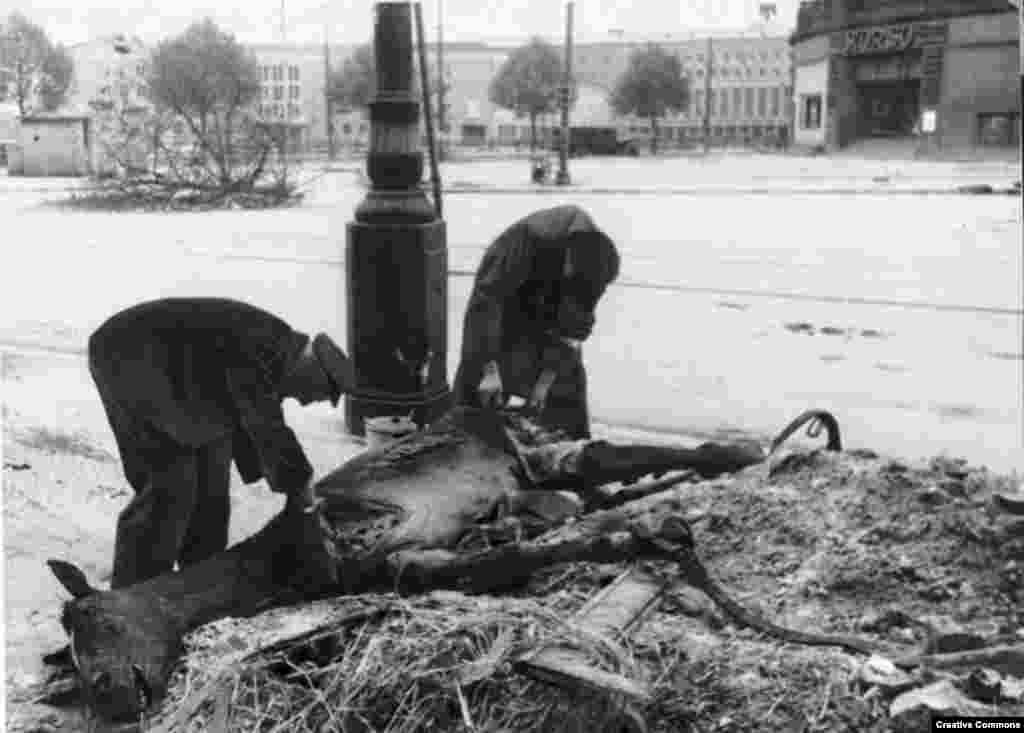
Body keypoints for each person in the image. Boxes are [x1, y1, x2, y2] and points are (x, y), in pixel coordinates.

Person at [88, 297, 355, 589]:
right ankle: (134, 593)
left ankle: (201, 578)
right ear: (311, 367)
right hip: (129, 357)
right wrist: (298, 485)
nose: (306, 401)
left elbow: (250, 428)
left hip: (181, 379)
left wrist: (287, 486)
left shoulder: (277, 356)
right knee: (172, 483)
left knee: (213, 483)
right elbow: (264, 424)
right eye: (316, 394)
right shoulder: (262, 347)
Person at [453, 204, 620, 440]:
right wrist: (488, 371)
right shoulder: (524, 241)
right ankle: (460, 441)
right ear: (567, 263)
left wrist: (544, 385)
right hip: (500, 304)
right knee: (477, 389)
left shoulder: (594, 266)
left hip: (541, 307)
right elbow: (485, 309)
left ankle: (575, 454)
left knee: (566, 390)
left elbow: (571, 332)